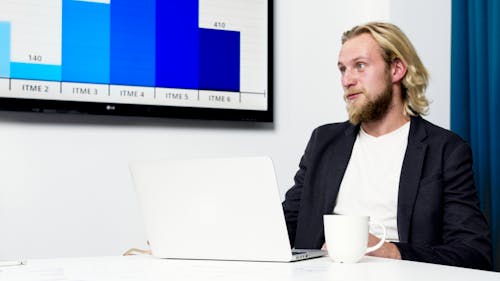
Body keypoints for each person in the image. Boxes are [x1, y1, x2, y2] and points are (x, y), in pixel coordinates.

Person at [282, 22, 492, 270]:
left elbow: (474, 252)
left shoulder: (445, 150)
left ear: (396, 69)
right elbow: (285, 225)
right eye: (342, 69)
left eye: (360, 66)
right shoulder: (323, 141)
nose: (347, 80)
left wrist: (391, 251)